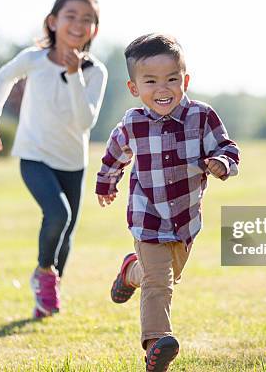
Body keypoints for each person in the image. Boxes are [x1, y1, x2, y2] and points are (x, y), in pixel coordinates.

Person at [96, 34, 240, 371]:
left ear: (185, 80)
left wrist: (222, 163)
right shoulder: (133, 123)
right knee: (159, 283)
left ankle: (129, 272)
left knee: (162, 276)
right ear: (134, 88)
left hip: (185, 220)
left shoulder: (202, 117)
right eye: (151, 81)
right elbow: (114, 157)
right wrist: (106, 184)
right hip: (148, 217)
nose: (163, 88)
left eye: (172, 79)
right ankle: (156, 343)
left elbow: (227, 147)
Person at [0, 0, 107, 319]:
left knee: (65, 236)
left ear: (94, 29)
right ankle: (43, 274)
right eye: (70, 16)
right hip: (34, 155)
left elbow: (85, 122)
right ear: (53, 22)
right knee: (58, 214)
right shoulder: (33, 60)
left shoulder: (96, 72)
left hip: (73, 163)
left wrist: (74, 75)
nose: (78, 24)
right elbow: (4, 78)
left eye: (87, 19)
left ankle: (47, 296)